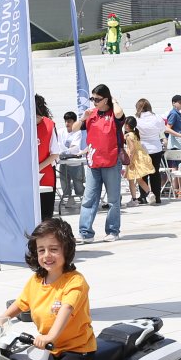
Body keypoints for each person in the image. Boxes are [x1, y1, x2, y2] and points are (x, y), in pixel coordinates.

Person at [0, 218, 95, 360]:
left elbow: (66, 309)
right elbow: (21, 303)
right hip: (50, 348)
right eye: (41, 250)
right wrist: (0, 320)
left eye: (53, 249)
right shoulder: (36, 280)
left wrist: (50, 335)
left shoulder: (75, 281)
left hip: (76, 349)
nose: (47, 255)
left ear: (66, 250)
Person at [77, 84, 124, 243]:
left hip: (111, 160)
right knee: (89, 198)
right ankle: (85, 232)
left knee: (113, 199)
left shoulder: (113, 113)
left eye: (97, 99)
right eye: (92, 98)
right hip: (93, 161)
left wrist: (115, 101)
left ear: (106, 99)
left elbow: (119, 113)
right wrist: (83, 117)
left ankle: (112, 230)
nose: (94, 102)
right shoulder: (91, 114)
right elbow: (74, 129)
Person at [134, 98, 166, 202]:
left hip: (142, 148)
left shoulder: (137, 119)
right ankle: (157, 197)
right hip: (156, 148)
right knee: (155, 173)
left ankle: (144, 196)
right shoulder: (157, 117)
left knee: (143, 174)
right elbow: (162, 130)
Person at [35, 94, 58, 221]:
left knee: (46, 213)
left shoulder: (49, 125)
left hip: (46, 172)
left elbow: (55, 153)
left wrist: (38, 167)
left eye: (38, 116)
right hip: (25, 174)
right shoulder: (21, 126)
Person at [122, 116, 154, 206]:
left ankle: (134, 199)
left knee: (131, 180)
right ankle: (149, 193)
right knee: (140, 179)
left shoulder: (128, 136)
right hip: (141, 157)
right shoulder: (135, 134)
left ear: (127, 126)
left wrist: (129, 161)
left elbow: (132, 149)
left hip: (133, 158)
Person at [56, 111, 86, 203]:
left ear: (74, 122)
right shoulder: (60, 131)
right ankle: (69, 198)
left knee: (78, 185)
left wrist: (64, 151)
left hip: (75, 163)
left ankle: (85, 198)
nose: (67, 124)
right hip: (63, 162)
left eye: (69, 121)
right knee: (64, 182)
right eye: (65, 121)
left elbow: (74, 147)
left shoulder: (78, 133)